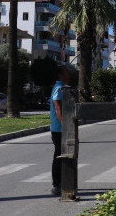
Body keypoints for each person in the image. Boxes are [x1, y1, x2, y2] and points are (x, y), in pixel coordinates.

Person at [50, 66, 70, 196]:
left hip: (61, 128)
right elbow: (58, 108)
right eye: (66, 72)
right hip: (59, 129)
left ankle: (64, 182)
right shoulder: (59, 88)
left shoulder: (63, 87)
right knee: (58, 156)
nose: (69, 75)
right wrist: (65, 125)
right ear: (60, 75)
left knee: (63, 155)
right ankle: (56, 184)